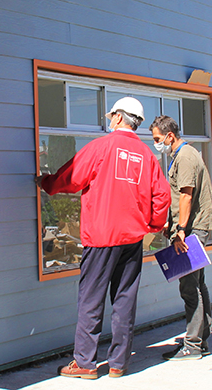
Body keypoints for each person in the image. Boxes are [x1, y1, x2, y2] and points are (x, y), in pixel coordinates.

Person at [37, 97, 171, 379]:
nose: (110, 120)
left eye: (112, 116)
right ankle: (118, 363)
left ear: (121, 118)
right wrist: (152, 225)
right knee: (124, 299)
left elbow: (71, 178)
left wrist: (46, 183)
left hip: (101, 238)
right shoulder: (147, 155)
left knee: (91, 300)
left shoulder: (100, 147)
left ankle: (85, 363)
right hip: (132, 239)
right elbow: (162, 196)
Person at [149, 115, 212, 360]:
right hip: (191, 226)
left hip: (191, 230)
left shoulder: (185, 157)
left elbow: (186, 196)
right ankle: (201, 339)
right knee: (198, 284)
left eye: (158, 139)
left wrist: (180, 231)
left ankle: (193, 345)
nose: (157, 143)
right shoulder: (183, 155)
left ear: (169, 135)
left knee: (189, 288)